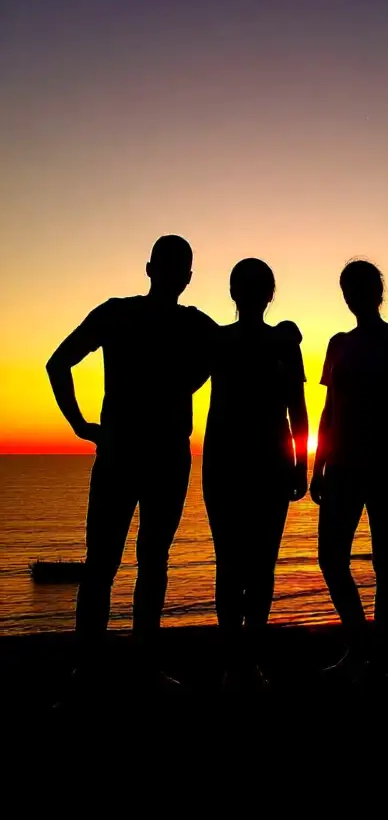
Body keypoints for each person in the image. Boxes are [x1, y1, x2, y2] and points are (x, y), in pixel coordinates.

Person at [46, 235, 216, 692]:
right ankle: (97, 669)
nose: (173, 274)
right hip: (134, 455)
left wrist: (81, 424)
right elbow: (56, 363)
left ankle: (118, 669)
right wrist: (80, 424)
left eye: (178, 266)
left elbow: (58, 364)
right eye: (171, 265)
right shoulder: (130, 314)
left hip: (149, 456)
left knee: (128, 563)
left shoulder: (179, 322)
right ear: (154, 269)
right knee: (113, 564)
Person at [310, 260, 388, 679]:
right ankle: (360, 644)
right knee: (330, 558)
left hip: (387, 468)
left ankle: (383, 656)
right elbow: (329, 409)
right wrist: (318, 464)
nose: (353, 294)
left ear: (378, 291)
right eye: (347, 287)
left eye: (361, 285)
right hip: (341, 468)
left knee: (387, 564)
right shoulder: (337, 343)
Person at [203, 258, 309, 691]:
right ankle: (235, 662)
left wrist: (302, 463)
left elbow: (298, 407)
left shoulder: (285, 342)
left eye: (258, 286)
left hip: (269, 464)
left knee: (260, 565)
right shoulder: (217, 340)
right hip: (226, 465)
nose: (250, 293)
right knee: (231, 565)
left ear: (269, 293)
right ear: (233, 292)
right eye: (244, 285)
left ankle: (247, 660)